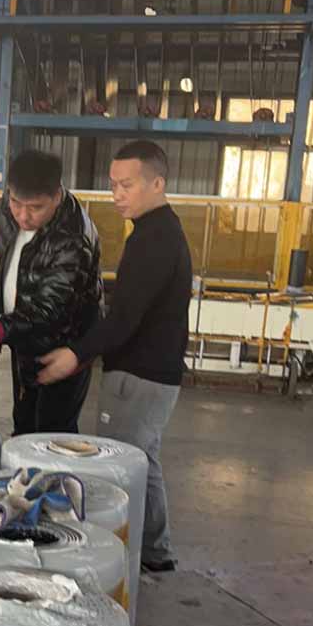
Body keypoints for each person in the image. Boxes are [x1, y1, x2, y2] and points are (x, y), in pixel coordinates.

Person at [37, 140, 192, 573]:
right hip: (156, 372)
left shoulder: (154, 240)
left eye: (127, 185)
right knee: (143, 460)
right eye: (113, 185)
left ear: (157, 184)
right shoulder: (158, 231)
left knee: (123, 468)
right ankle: (155, 550)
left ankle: (130, 556)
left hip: (140, 376)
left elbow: (124, 318)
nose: (117, 195)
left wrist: (76, 354)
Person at [0, 149, 101, 434]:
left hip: (63, 350)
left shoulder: (73, 237)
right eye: (16, 203)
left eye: (35, 207)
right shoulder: (10, 208)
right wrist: (4, 329)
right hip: (24, 340)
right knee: (24, 425)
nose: (23, 216)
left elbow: (50, 308)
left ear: (56, 196)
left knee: (51, 435)